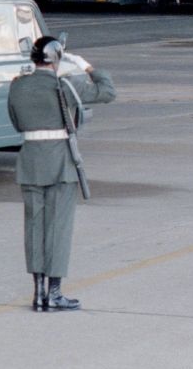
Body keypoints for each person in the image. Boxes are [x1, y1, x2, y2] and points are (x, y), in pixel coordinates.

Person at [7, 35, 116, 311]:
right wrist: (86, 66)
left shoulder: (17, 86)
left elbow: (17, 122)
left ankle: (38, 293)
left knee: (34, 228)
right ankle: (54, 293)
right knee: (58, 228)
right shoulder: (66, 84)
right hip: (59, 164)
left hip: (30, 161)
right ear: (57, 58)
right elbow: (107, 91)